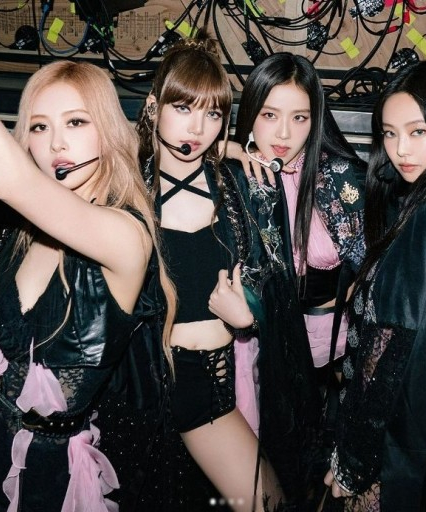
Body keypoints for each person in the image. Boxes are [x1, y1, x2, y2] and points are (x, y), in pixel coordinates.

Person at [0, 60, 175, 511]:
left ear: (107, 131)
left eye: (76, 122)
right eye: (39, 126)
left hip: (53, 480)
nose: (56, 144)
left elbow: (7, 179)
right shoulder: (18, 232)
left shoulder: (127, 237)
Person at [132, 32, 319, 511]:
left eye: (213, 114)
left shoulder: (240, 183)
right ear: (153, 107)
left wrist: (248, 315)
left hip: (216, 383)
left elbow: (277, 287)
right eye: (182, 108)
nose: (197, 127)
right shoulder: (127, 189)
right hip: (153, 385)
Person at [324, 60, 426, 511]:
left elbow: (389, 353)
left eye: (418, 131)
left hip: (398, 447)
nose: (400, 150)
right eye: (389, 133)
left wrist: (352, 460)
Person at [228, 53, 366, 447]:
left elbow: (374, 266)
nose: (284, 133)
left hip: (332, 347)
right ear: (250, 114)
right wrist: (225, 149)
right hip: (259, 349)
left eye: (299, 117)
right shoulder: (235, 177)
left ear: (314, 119)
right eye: (270, 115)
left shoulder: (336, 175)